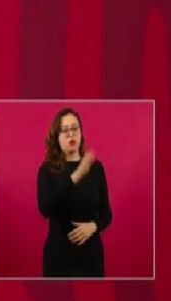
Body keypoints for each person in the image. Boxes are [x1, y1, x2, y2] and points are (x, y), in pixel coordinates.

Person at [37, 107, 113, 278]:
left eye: (74, 128)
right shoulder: (47, 170)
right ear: (57, 137)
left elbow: (107, 215)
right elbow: (45, 208)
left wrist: (93, 226)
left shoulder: (96, 168)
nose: (71, 134)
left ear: (81, 132)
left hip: (91, 259)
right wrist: (75, 176)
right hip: (58, 260)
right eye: (65, 130)